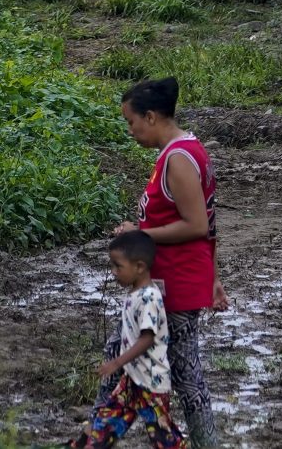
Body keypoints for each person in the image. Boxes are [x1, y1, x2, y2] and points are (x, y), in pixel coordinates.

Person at [115, 81, 217, 446]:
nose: (131, 131)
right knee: (126, 362)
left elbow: (197, 224)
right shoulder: (183, 151)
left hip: (176, 285)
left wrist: (140, 234)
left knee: (186, 379)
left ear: (152, 116)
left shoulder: (177, 158)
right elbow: (210, 219)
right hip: (172, 283)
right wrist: (214, 276)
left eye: (131, 122)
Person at [69, 233, 185, 449]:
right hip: (131, 379)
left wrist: (117, 362)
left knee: (165, 438)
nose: (113, 272)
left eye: (118, 266)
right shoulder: (136, 294)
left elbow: (147, 339)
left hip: (152, 382)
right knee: (105, 425)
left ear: (139, 267)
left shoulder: (150, 297)